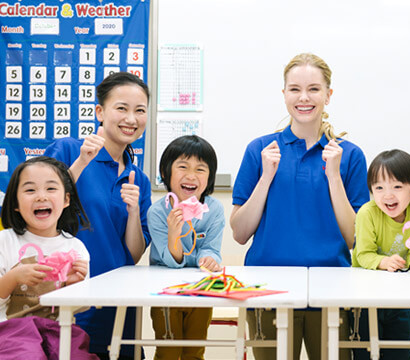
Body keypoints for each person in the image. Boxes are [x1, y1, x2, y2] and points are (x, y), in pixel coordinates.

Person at [230, 53, 370, 359]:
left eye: (314, 89)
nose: (303, 97)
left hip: (332, 288)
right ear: (284, 95)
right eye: (294, 89)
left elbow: (356, 239)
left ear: (328, 95)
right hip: (267, 288)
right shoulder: (260, 150)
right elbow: (240, 232)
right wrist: (266, 178)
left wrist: (334, 177)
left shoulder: (350, 155)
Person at [45, 72, 152, 359]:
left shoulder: (138, 178)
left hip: (120, 301)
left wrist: (133, 213)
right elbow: (41, 206)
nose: (131, 118)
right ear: (100, 112)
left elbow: (134, 252)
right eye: (122, 108)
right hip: (71, 299)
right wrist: (80, 163)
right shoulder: (68, 149)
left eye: (140, 111)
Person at [0, 156, 96, 358]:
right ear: (15, 203)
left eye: (51, 188)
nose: (41, 197)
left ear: (66, 200)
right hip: (11, 330)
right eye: (30, 190)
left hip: (60, 330)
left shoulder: (76, 247)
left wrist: (71, 286)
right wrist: (13, 278)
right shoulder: (5, 241)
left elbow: (80, 307)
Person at [147, 135, 224, 360]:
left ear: (210, 178)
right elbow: (172, 262)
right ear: (166, 172)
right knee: (168, 351)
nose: (191, 176)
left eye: (201, 169)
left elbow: (211, 248)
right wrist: (174, 231)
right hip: (165, 292)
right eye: (182, 167)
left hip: (201, 291)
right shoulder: (158, 212)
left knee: (195, 351)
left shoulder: (214, 209)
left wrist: (208, 259)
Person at [352, 149, 410, 360]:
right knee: (364, 352)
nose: (388, 195)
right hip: (365, 300)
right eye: (379, 188)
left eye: (397, 187)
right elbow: (363, 255)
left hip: (400, 298)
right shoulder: (367, 213)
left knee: (401, 351)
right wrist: (384, 262)